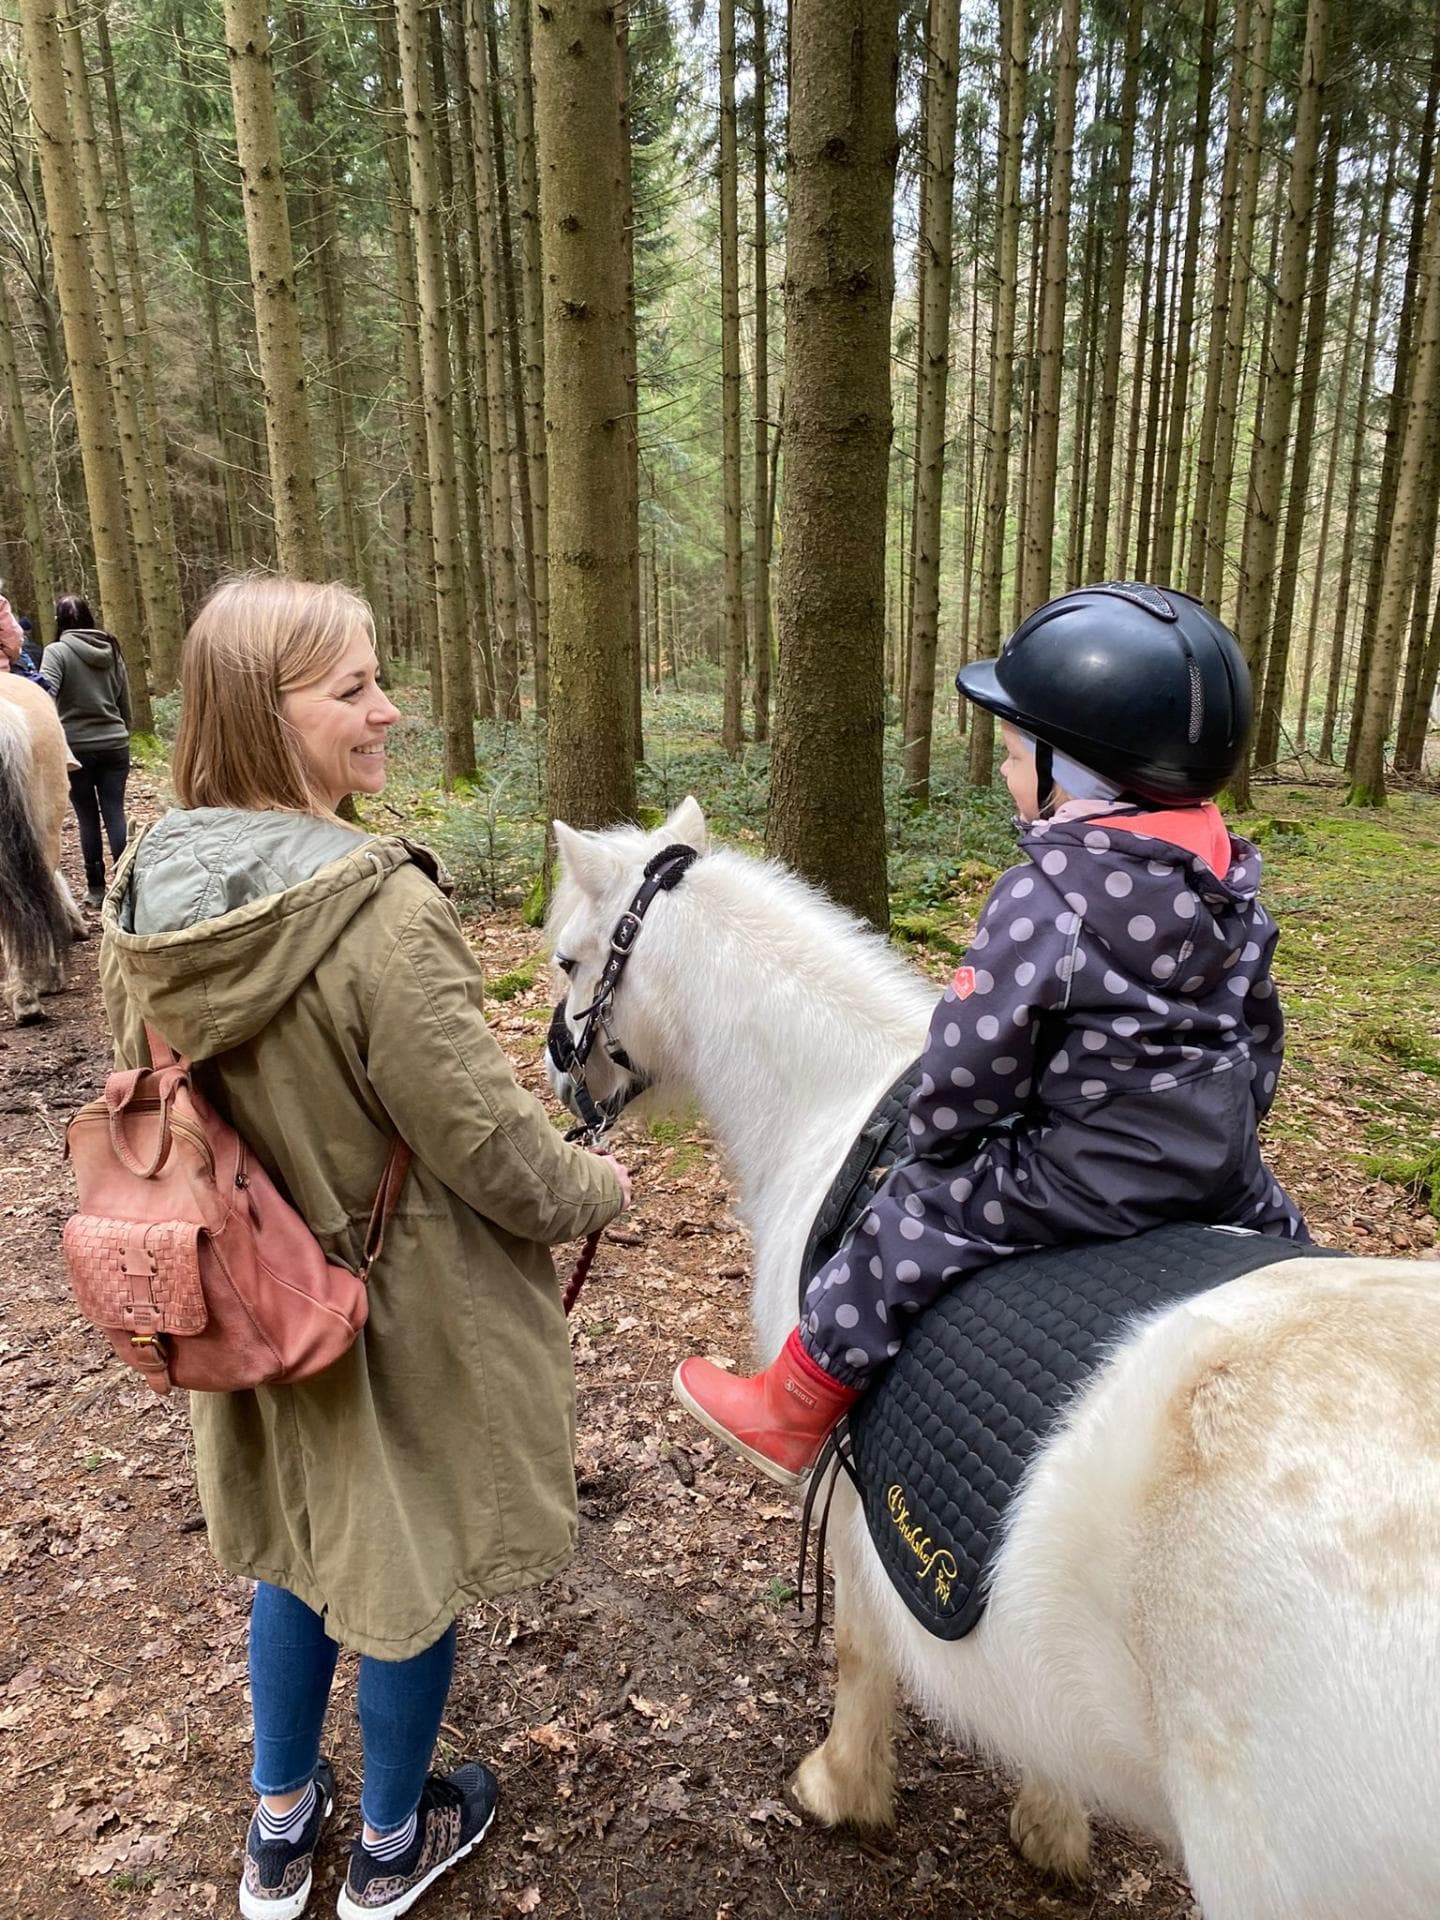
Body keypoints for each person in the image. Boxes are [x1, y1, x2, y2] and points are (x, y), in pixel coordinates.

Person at [99, 574, 632, 1920]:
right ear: (259, 712)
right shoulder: (379, 914)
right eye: (351, 690)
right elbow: (489, 1147)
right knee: (407, 1569)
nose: (388, 709)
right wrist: (596, 1189)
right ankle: (391, 1847)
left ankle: (280, 1833)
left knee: (298, 1546)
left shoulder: (148, 886)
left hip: (243, 1293)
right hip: (395, 1314)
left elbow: (150, 1095)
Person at [674, 582, 1310, 1485]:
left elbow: (973, 1056)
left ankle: (790, 1407)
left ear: (1070, 772)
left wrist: (938, 1141)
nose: (1008, 774)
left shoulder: (1046, 896)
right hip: (1223, 1164)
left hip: (1080, 1173)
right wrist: (1221, 1135)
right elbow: (1258, 1038)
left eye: (1014, 755)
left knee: (910, 1217)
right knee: (1297, 1263)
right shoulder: (1231, 883)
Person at [40, 594, 132, 907]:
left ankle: (95, 888)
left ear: (59, 621)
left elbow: (45, 693)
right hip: (115, 743)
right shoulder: (111, 648)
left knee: (87, 818)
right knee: (115, 813)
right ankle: (127, 886)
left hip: (76, 747)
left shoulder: (57, 651)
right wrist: (123, 733)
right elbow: (124, 700)